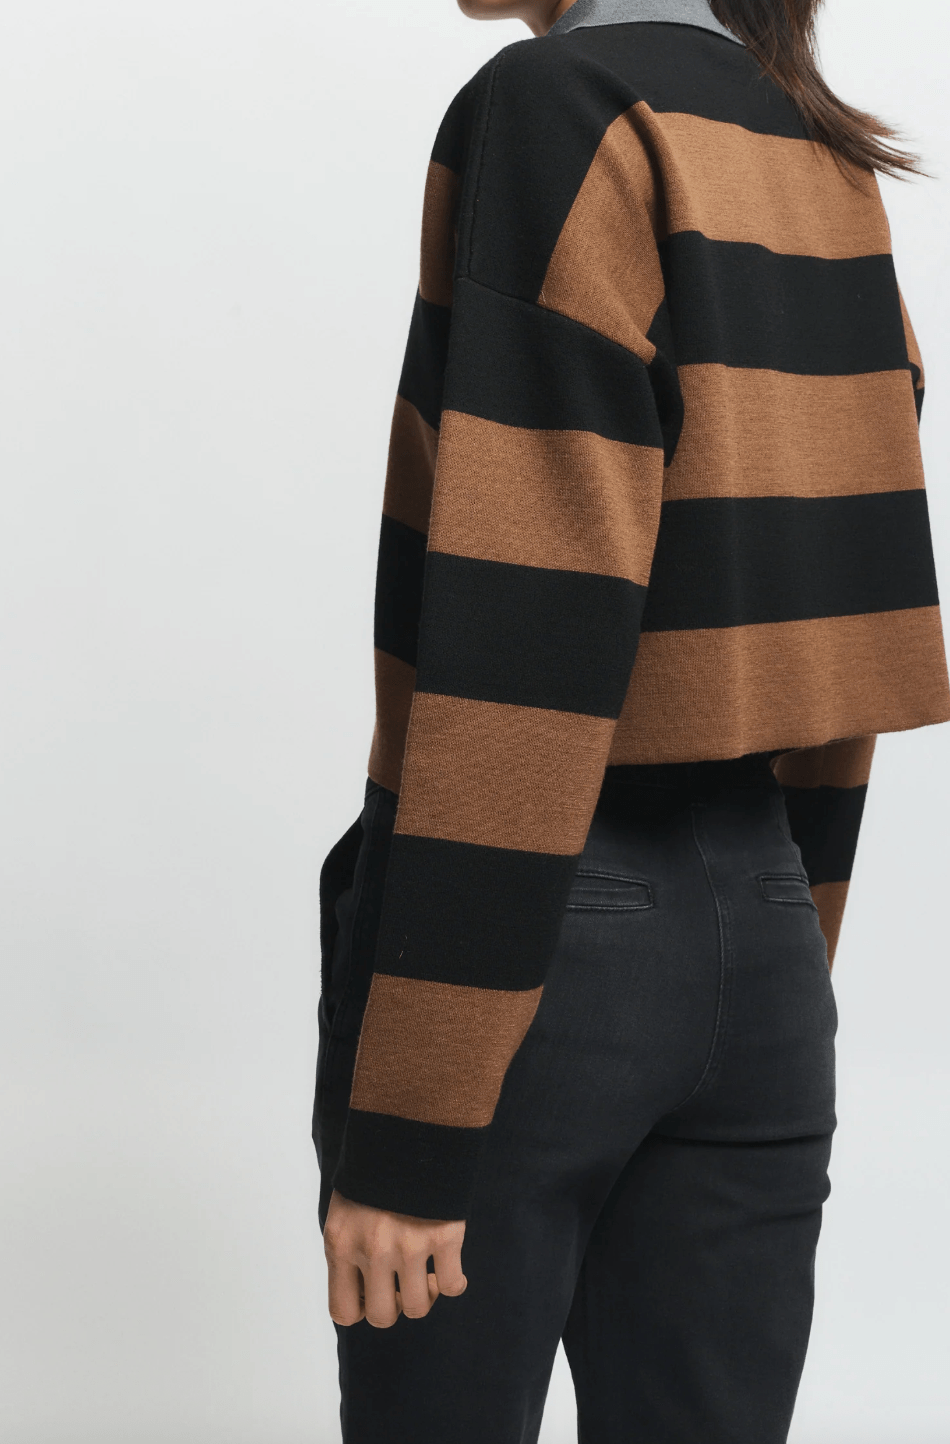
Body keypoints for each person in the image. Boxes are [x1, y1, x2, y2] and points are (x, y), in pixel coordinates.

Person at [313, 1, 950, 1439]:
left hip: (531, 949)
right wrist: (789, 930)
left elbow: (524, 633)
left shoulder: (560, 104)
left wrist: (409, 1130)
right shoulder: (816, 147)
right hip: (767, 940)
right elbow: (828, 621)